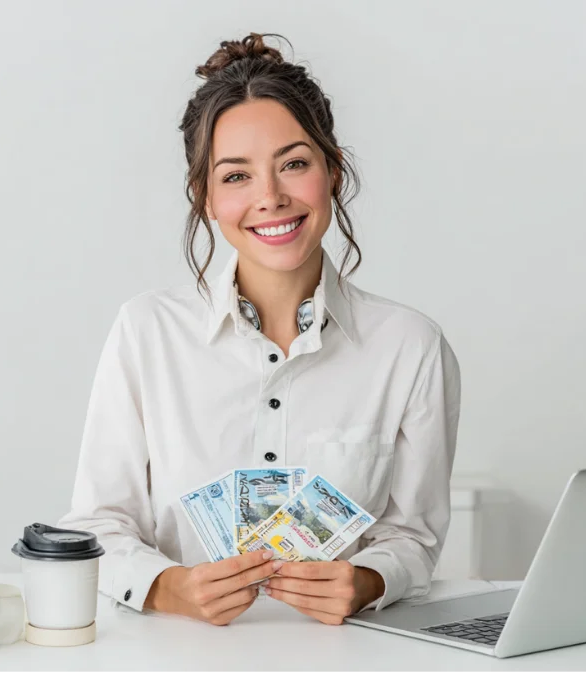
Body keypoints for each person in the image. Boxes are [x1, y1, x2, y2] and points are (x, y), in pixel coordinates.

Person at [57, 32, 462, 627]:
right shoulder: (147, 332)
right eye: (236, 176)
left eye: (294, 164)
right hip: (176, 653)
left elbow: (414, 537)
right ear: (206, 197)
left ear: (333, 171)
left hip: (349, 655)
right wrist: (170, 588)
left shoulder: (411, 348)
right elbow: (99, 524)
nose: (270, 198)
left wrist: (367, 581)